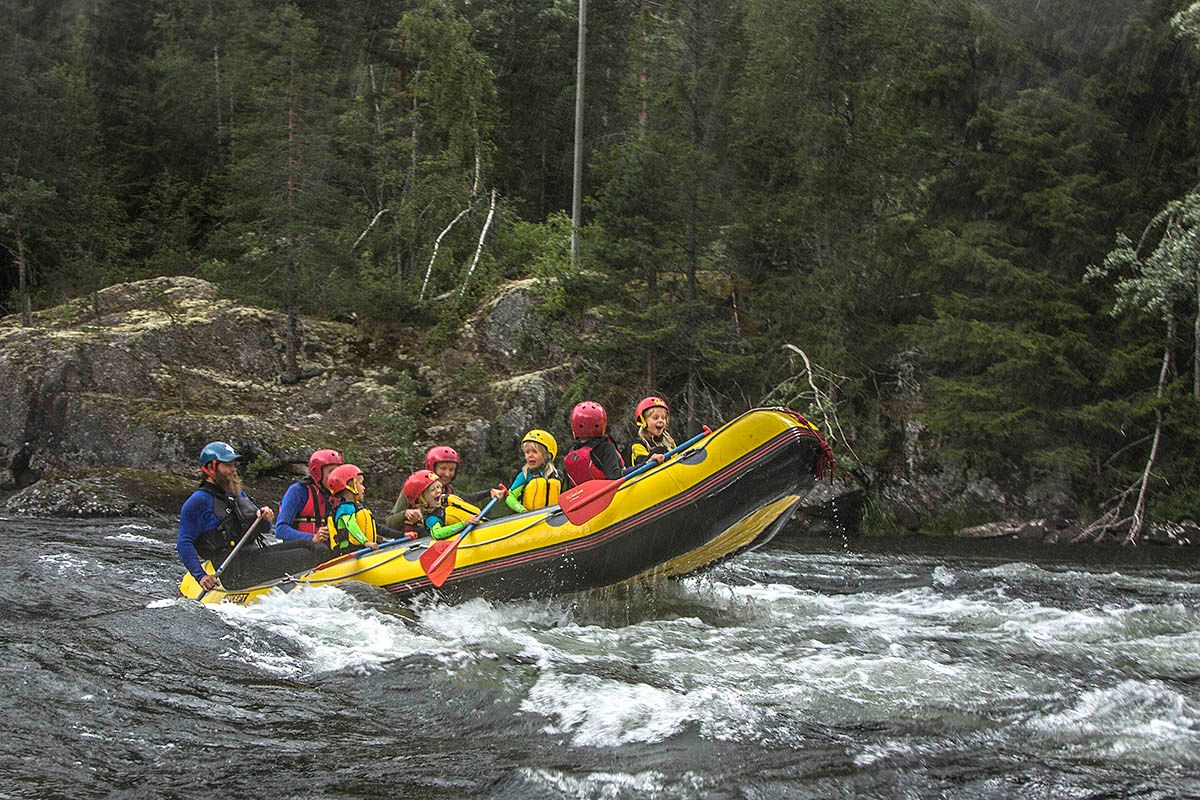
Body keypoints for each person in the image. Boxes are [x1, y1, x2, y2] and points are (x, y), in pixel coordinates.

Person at [177, 442, 328, 592]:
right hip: (235, 570)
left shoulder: (236, 493)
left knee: (315, 546)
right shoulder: (197, 501)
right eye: (228, 465)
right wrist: (201, 576)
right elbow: (184, 542)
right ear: (211, 468)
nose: (234, 469)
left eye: (234, 465)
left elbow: (265, 529)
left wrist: (265, 518)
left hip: (254, 555)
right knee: (312, 553)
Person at [325, 464, 415, 555]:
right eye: (360, 484)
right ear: (350, 486)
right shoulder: (344, 508)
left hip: (364, 551)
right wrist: (365, 542)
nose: (364, 487)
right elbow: (351, 525)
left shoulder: (359, 508)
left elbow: (378, 528)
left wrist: (402, 535)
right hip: (349, 553)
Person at [275, 449, 343, 545]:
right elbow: (280, 530)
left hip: (326, 548)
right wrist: (312, 538)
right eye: (331, 472)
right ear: (317, 472)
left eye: (338, 472)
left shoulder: (338, 495)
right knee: (320, 549)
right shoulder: (298, 491)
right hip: (300, 549)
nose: (335, 477)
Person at [490, 429, 562, 513]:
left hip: (553, 518)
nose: (530, 455)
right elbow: (510, 497)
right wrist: (522, 510)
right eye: (527, 452)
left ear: (547, 455)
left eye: (535, 452)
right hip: (530, 519)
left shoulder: (557, 475)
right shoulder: (524, 475)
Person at [563, 401, 633, 487]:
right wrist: (643, 465)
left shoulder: (572, 452)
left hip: (586, 498)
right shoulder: (606, 447)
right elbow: (614, 476)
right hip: (612, 496)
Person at [404, 469, 481, 540]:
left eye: (438, 487)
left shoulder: (446, 502)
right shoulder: (431, 518)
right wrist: (464, 524)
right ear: (421, 500)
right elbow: (438, 533)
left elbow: (468, 498)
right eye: (432, 490)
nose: (438, 491)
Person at [629, 396, 673, 468]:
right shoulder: (638, 445)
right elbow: (643, 463)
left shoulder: (669, 442)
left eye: (663, 417)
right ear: (643, 421)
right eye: (655, 418)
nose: (661, 420)